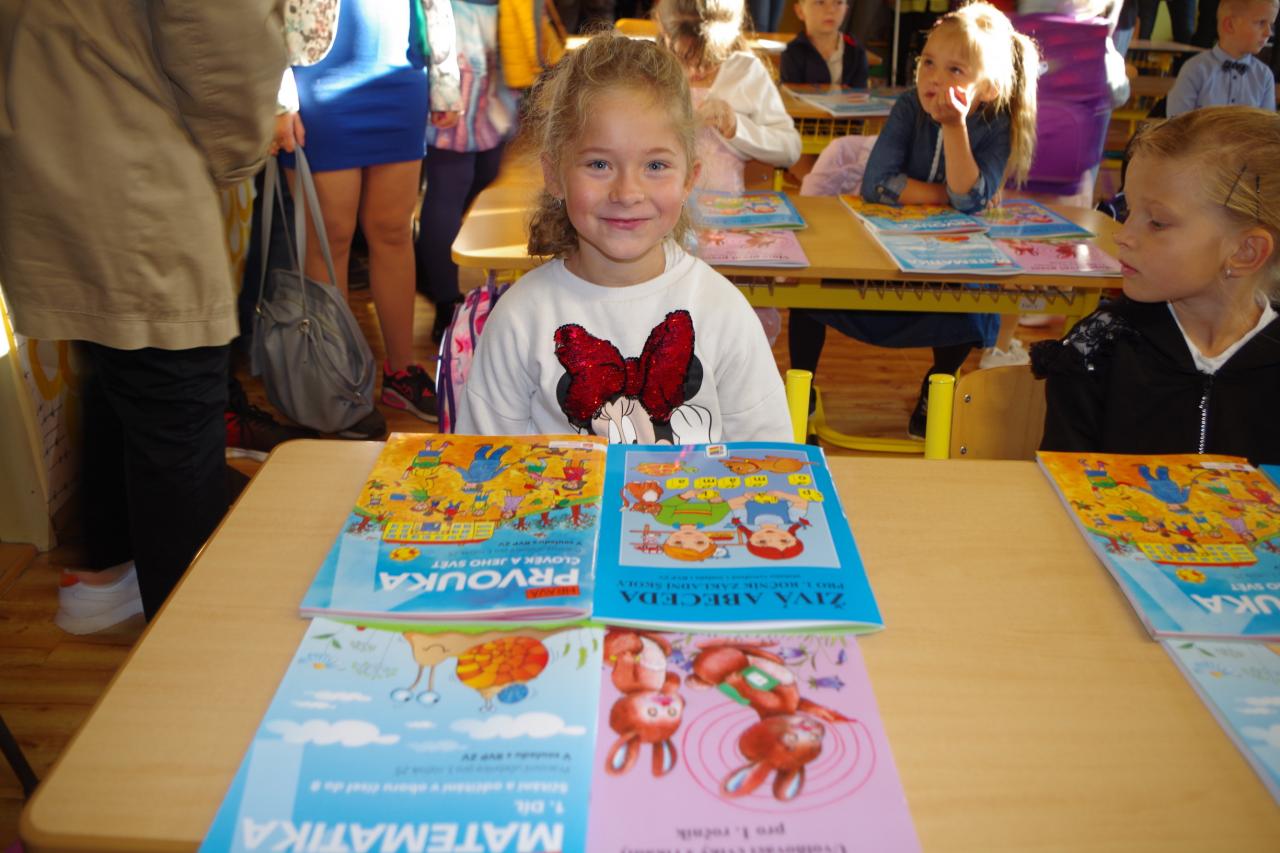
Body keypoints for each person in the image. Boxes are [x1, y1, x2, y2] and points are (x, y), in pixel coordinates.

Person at [0, 0, 286, 631]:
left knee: (122, 376)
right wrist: (241, 147)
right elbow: (221, 27)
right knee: (172, 401)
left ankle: (113, 574)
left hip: (56, 133)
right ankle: (190, 643)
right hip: (132, 150)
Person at [455, 34, 792, 443]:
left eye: (655, 165)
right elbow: (483, 459)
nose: (627, 193)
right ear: (554, 175)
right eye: (599, 164)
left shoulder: (723, 313)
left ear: (688, 180)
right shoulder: (519, 319)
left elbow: (770, 457)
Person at [789, 1, 1040, 438]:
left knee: (972, 310)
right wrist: (954, 199)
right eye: (928, 63)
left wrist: (955, 129)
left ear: (987, 89)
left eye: (955, 70)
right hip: (879, 256)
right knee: (809, 294)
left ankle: (935, 390)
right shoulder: (908, 106)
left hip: (948, 272)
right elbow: (878, 185)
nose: (935, 78)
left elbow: (970, 197)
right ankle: (802, 391)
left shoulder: (995, 123)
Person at [1032, 107, 1280, 464]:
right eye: (1128, 211)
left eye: (1158, 223)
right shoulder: (1097, 350)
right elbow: (1064, 477)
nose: (1124, 235)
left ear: (1245, 252)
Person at [273, 0, 463, 435]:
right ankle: (334, 381)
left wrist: (444, 81)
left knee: (395, 231)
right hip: (319, 77)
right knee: (328, 239)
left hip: (401, 73)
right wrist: (278, 100)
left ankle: (402, 372)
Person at [416, 0, 521, 344]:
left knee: (484, 171)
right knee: (450, 182)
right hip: (453, 40)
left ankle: (429, 260)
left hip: (494, 42)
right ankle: (446, 301)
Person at [653, 0, 801, 193]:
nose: (695, 70)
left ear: (729, 39)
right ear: (664, 33)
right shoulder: (654, 71)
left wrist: (736, 127)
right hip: (660, 203)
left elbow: (790, 149)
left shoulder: (745, 72)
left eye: (709, 59)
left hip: (726, 205)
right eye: (683, 56)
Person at [1166, 0, 1277, 116]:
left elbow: (1266, 125)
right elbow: (1177, 122)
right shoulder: (1194, 69)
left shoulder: (1265, 76)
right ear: (1229, 25)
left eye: (1271, 25)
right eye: (1261, 23)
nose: (1269, 33)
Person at [780, 0, 869, 88]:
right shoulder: (792, 52)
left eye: (838, 3)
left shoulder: (856, 51)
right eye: (820, 2)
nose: (830, 10)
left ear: (845, 10)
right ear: (800, 11)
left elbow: (860, 93)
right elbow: (790, 94)